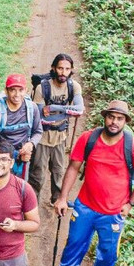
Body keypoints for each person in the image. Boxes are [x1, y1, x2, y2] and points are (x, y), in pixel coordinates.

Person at [47, 100, 134, 266]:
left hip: (114, 212)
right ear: (104, 117)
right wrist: (62, 198)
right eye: (111, 117)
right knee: (75, 242)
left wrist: (130, 204)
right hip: (85, 205)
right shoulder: (89, 138)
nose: (114, 122)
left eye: (120, 119)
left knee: (109, 249)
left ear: (125, 121)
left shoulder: (132, 145)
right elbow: (73, 167)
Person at [29, 53, 84, 204]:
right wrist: (67, 112)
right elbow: (41, 117)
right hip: (42, 138)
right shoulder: (42, 88)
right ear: (54, 68)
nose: (63, 72)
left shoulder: (74, 87)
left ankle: (58, 200)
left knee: (59, 172)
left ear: (71, 70)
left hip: (60, 137)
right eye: (60, 68)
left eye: (67, 69)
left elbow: (79, 110)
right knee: (37, 174)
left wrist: (53, 107)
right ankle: (32, 204)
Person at [0, 74, 42, 179]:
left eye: (20, 90)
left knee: (20, 189)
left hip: (23, 158)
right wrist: (10, 156)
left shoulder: (32, 108)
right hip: (2, 159)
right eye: (12, 90)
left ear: (26, 90)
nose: (17, 94)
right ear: (6, 90)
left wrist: (31, 144)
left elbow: (38, 131)